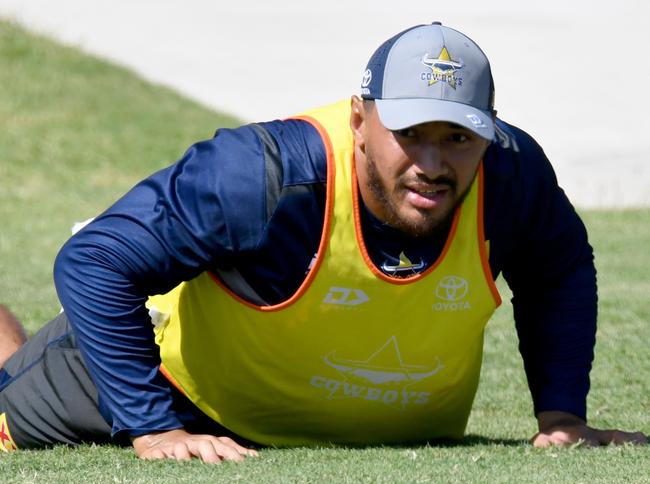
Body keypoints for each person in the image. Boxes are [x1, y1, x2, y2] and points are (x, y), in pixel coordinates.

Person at [0, 22, 646, 460]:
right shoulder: (263, 174)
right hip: (174, 387)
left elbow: (559, 267)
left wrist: (561, 417)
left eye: (457, 137)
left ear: (488, 133)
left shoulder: (511, 174)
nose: (432, 161)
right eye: (411, 131)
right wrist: (153, 426)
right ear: (360, 119)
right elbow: (96, 260)